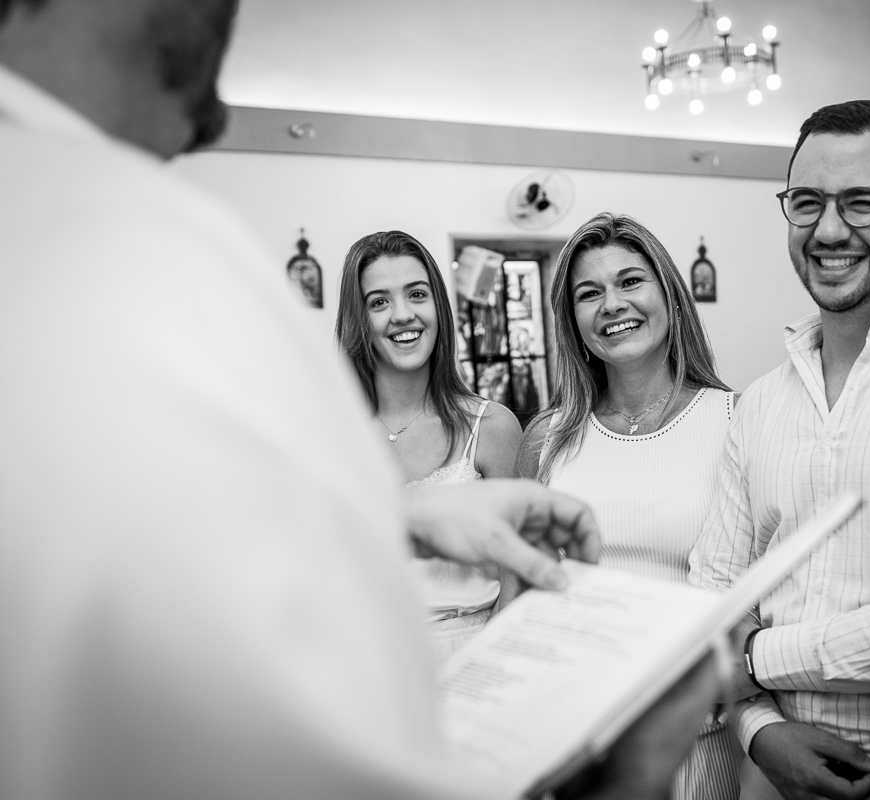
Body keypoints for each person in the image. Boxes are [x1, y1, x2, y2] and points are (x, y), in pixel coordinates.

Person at [0, 1, 728, 798]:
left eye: (418, 295)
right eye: (380, 301)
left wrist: (404, 523)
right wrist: (625, 783)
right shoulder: (135, 247)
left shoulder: (508, 427)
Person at [688, 99, 870, 800]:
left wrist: (757, 659)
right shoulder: (761, 403)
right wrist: (759, 729)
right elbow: (715, 596)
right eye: (806, 202)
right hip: (769, 776)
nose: (830, 229)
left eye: (863, 203)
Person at [517, 212, 741, 800]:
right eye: (588, 293)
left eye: (630, 281)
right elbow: (521, 596)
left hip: (696, 727)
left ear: (670, 294)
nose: (612, 304)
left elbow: (761, 587)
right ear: (572, 322)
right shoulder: (547, 439)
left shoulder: (736, 419)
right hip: (577, 730)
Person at [335, 230, 523, 659]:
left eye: (417, 294)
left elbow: (519, 574)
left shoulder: (491, 427)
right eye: (379, 302)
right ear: (358, 320)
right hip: (369, 662)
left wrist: (487, 663)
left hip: (474, 654)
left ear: (438, 305)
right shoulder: (334, 436)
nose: (403, 315)